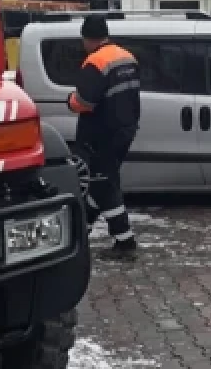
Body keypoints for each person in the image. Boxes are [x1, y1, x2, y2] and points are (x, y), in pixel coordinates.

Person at [68, 15, 142, 260]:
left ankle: (125, 241)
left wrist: (70, 101)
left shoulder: (96, 62)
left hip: (101, 134)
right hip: (125, 130)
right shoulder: (127, 57)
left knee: (103, 184)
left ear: (87, 38)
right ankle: (82, 232)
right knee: (101, 181)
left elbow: (84, 102)